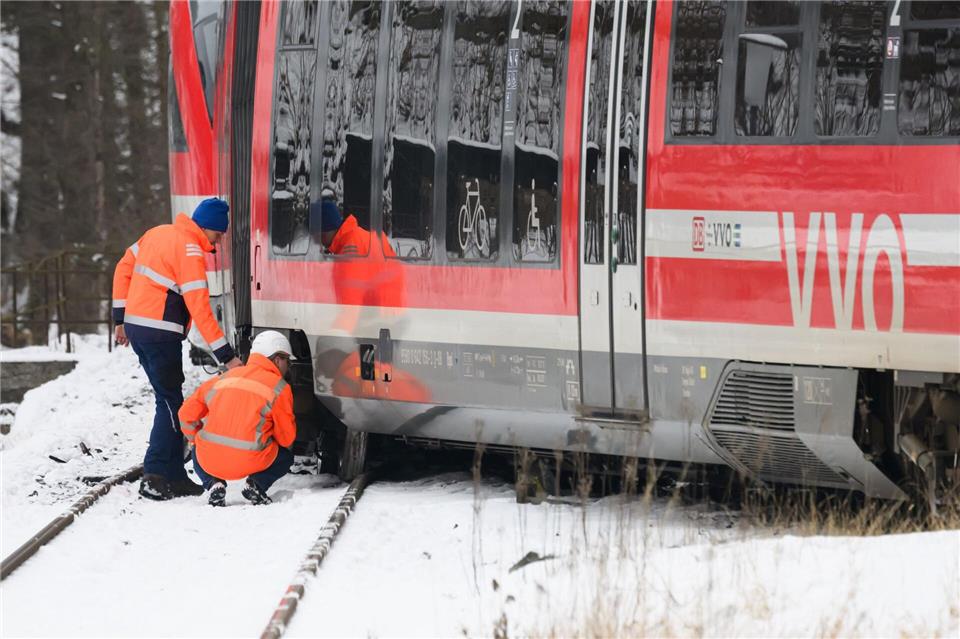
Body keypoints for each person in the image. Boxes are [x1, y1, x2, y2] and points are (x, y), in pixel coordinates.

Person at [112, 198, 242, 501]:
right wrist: (227, 356)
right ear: (209, 226)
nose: (219, 240)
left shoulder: (157, 233)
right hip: (159, 332)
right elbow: (200, 309)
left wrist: (120, 319)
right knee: (170, 403)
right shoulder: (190, 250)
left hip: (139, 328)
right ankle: (154, 474)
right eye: (219, 234)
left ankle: (175, 476)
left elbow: (122, 268)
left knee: (170, 399)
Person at [179, 330, 297, 507]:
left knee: (198, 445)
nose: (288, 366)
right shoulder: (280, 388)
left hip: (210, 461)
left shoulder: (222, 378)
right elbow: (286, 438)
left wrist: (195, 438)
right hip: (252, 461)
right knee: (285, 457)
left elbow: (185, 414)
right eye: (287, 361)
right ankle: (256, 484)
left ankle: (213, 484)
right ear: (277, 360)